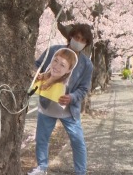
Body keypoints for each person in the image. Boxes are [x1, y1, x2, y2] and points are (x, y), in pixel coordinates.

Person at [28, 24, 93, 175]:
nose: (78, 41)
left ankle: (81, 171)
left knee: (78, 141)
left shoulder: (86, 64)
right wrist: (37, 74)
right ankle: (42, 167)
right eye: (76, 37)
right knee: (42, 138)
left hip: (70, 110)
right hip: (47, 104)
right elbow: (36, 65)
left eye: (82, 40)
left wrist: (72, 97)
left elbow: (84, 89)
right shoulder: (53, 51)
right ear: (70, 36)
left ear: (86, 44)